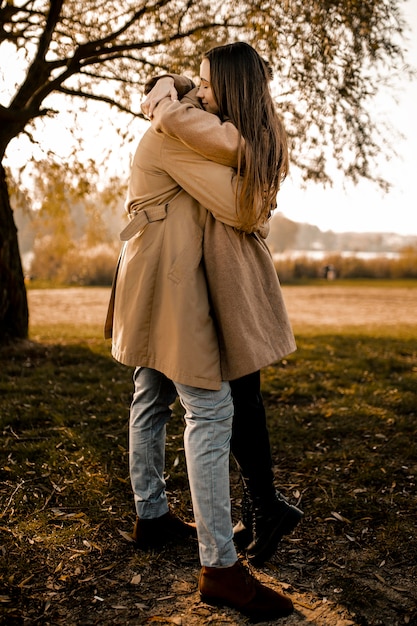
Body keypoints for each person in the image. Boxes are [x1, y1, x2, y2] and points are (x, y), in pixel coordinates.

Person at [105, 42, 296, 620]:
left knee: (150, 395)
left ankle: (153, 515)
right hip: (171, 282)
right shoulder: (179, 135)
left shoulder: (186, 123)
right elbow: (242, 210)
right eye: (201, 85)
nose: (204, 92)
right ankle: (219, 566)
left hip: (154, 273)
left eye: (211, 83)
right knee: (210, 411)